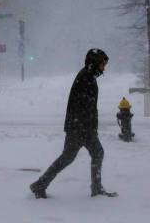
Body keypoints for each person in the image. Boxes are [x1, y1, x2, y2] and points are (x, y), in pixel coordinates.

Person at [30, 48, 117, 199]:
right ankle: (95, 189)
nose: (104, 67)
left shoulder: (88, 76)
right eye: (102, 64)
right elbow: (82, 105)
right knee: (89, 154)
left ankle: (40, 184)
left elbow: (87, 105)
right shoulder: (86, 78)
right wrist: (87, 128)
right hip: (80, 127)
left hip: (80, 126)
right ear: (94, 63)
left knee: (71, 157)